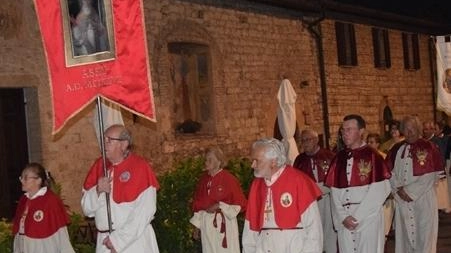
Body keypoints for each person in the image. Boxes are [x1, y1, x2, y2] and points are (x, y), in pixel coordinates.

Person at [81, 124, 160, 253]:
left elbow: (145, 211)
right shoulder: (98, 166)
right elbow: (86, 210)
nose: (104, 144)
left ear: (123, 144)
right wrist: (97, 191)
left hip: (134, 242)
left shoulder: (140, 167)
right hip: (105, 242)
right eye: (104, 140)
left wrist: (118, 241)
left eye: (109, 140)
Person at [242, 138, 323, 253]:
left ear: (273, 161)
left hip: (293, 247)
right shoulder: (256, 185)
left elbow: (314, 228)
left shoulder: (298, 181)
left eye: (257, 160)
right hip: (264, 247)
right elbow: (250, 227)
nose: (252, 165)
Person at [324, 114, 391, 253]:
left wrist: (357, 217)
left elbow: (380, 190)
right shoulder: (338, 158)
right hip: (345, 221)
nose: (345, 133)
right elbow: (334, 191)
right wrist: (343, 217)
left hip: (368, 218)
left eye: (349, 129)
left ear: (361, 132)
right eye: (343, 130)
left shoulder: (373, 156)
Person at [386, 116, 444, 253]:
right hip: (402, 201)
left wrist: (410, 192)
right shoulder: (396, 149)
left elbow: (430, 175)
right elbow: (390, 172)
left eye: (412, 128)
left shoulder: (429, 147)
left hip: (423, 200)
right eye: (406, 129)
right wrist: (399, 190)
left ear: (418, 129)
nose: (409, 132)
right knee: (405, 238)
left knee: (424, 237)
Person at [190, 147, 247, 253]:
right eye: (206, 160)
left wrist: (219, 206)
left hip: (224, 224)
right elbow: (199, 206)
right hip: (207, 225)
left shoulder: (229, 179)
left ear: (219, 161)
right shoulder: (203, 180)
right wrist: (196, 227)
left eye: (210, 159)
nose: (206, 162)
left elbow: (238, 205)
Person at [12, 163, 75, 253]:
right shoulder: (23, 200)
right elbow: (19, 230)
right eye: (21, 178)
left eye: (25, 178)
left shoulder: (50, 200)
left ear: (38, 180)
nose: (22, 181)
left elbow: (61, 233)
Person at [293, 129, 337, 253]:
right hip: (309, 202)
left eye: (308, 139)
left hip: (327, 199)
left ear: (316, 140)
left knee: (329, 231)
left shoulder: (329, 156)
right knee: (313, 231)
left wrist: (319, 188)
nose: (305, 143)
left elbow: (335, 179)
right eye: (303, 140)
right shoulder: (299, 160)